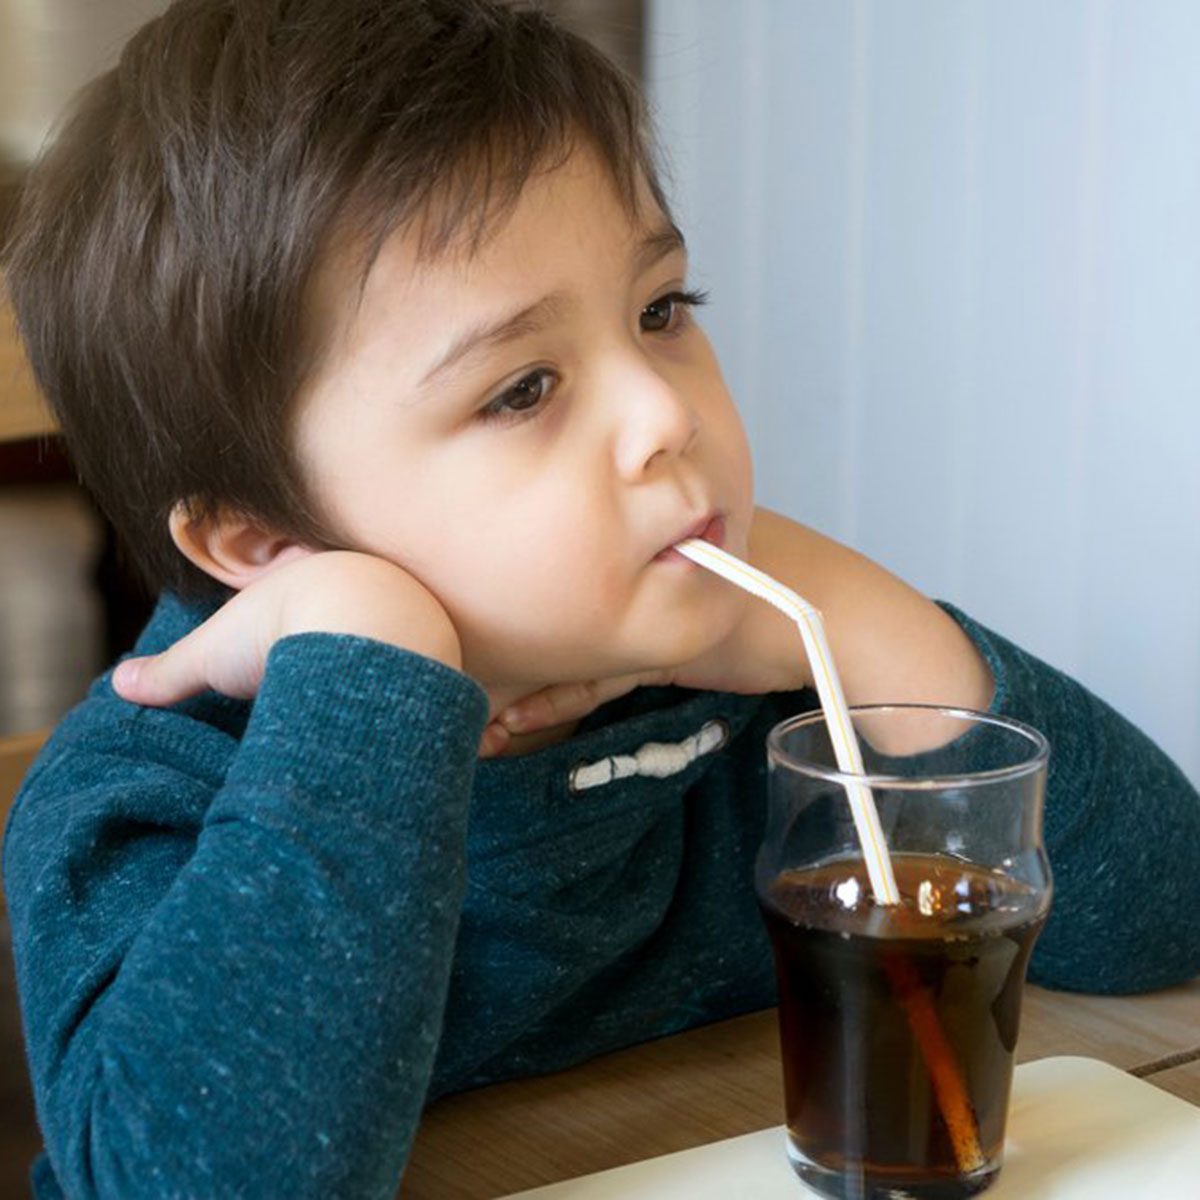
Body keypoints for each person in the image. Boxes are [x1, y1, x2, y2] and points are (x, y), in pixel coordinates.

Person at [3, 1, 1197, 1196]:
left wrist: (850, 611)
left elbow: (1161, 919)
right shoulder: (149, 795)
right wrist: (369, 668)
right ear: (265, 543)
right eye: (523, 388)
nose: (666, 414)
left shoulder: (754, 700)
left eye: (660, 311)